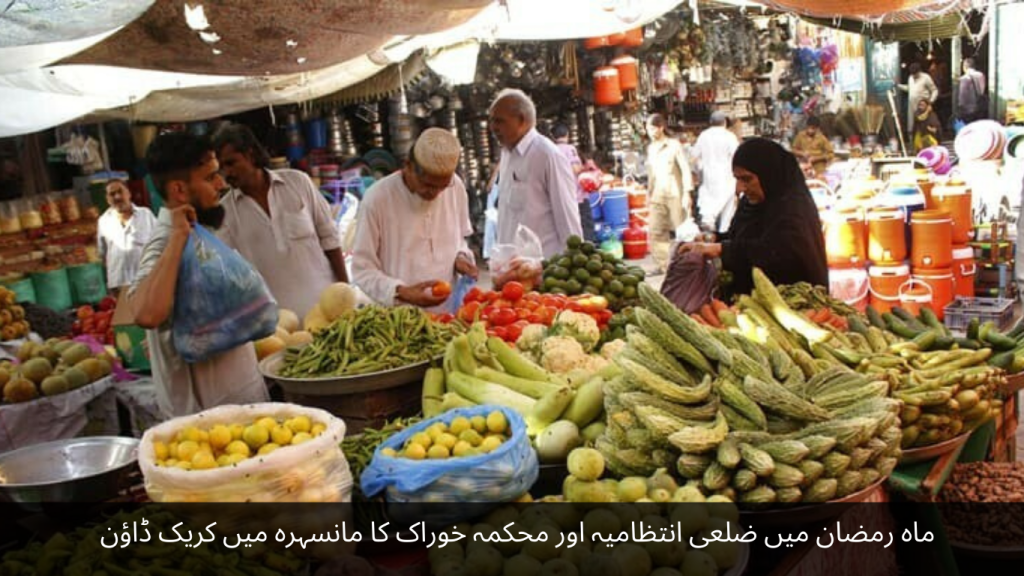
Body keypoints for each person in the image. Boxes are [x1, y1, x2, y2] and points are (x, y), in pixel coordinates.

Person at [129, 132, 268, 418]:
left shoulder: (201, 231)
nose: (221, 184)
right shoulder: (164, 242)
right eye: (210, 178)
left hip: (243, 409)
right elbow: (145, 314)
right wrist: (178, 237)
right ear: (180, 190)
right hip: (207, 426)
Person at [212, 124, 348, 318]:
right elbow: (229, 275)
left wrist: (345, 291)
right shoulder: (225, 212)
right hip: (279, 326)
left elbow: (330, 239)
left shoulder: (298, 183)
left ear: (250, 155)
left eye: (231, 163)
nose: (226, 173)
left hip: (327, 311)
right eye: (221, 168)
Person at [677, 138, 828, 298]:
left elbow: (779, 253)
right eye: (737, 179)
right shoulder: (752, 202)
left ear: (768, 175)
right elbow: (743, 237)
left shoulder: (793, 208)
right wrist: (714, 238)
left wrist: (720, 249)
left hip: (792, 304)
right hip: (750, 304)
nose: (740, 188)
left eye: (747, 179)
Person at [351, 128, 477, 310]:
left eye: (441, 187)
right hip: (400, 319)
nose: (434, 193)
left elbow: (458, 241)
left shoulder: (455, 187)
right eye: (427, 185)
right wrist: (401, 291)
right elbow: (362, 270)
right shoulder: (377, 200)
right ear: (407, 166)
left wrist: (461, 258)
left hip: (449, 315)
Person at [489, 89, 582, 259]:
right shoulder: (507, 154)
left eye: (499, 121)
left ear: (522, 121)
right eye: (492, 121)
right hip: (511, 270)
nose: (493, 127)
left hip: (544, 270)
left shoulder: (547, 155)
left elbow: (568, 219)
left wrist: (574, 268)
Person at [645, 114, 694, 272]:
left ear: (660, 128)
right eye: (648, 129)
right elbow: (651, 174)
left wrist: (687, 193)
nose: (650, 132)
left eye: (653, 128)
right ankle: (663, 265)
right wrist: (648, 193)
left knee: (681, 231)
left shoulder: (673, 145)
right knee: (656, 230)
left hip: (675, 193)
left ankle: (687, 264)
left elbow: (685, 169)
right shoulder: (651, 148)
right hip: (657, 195)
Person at [97, 180, 158, 297]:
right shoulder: (103, 221)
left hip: (147, 280)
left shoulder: (146, 215)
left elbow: (160, 244)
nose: (117, 197)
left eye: (120, 191)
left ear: (129, 193)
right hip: (120, 285)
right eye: (112, 194)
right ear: (107, 199)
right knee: (126, 315)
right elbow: (103, 255)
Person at [690, 111, 739, 235]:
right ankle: (724, 233)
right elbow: (737, 156)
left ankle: (709, 228)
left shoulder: (703, 136)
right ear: (724, 123)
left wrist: (699, 170)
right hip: (727, 175)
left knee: (709, 204)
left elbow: (694, 156)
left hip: (709, 176)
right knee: (728, 208)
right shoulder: (729, 136)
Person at [552, 124, 595, 243]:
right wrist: (587, 167)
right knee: (585, 224)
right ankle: (588, 249)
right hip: (576, 195)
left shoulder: (550, 150)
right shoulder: (569, 149)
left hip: (561, 195)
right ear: (567, 135)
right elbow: (575, 169)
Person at [899, 62, 939, 133]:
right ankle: (912, 142)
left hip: (922, 107)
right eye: (912, 74)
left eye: (915, 74)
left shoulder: (926, 77)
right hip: (912, 106)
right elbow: (909, 88)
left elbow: (934, 90)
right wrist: (899, 86)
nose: (913, 76)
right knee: (912, 127)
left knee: (923, 126)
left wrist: (931, 101)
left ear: (919, 71)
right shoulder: (910, 77)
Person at [958, 57, 987, 122]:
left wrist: (960, 108)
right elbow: (982, 91)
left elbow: (962, 96)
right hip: (980, 107)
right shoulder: (981, 75)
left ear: (964, 67)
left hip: (968, 109)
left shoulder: (964, 78)